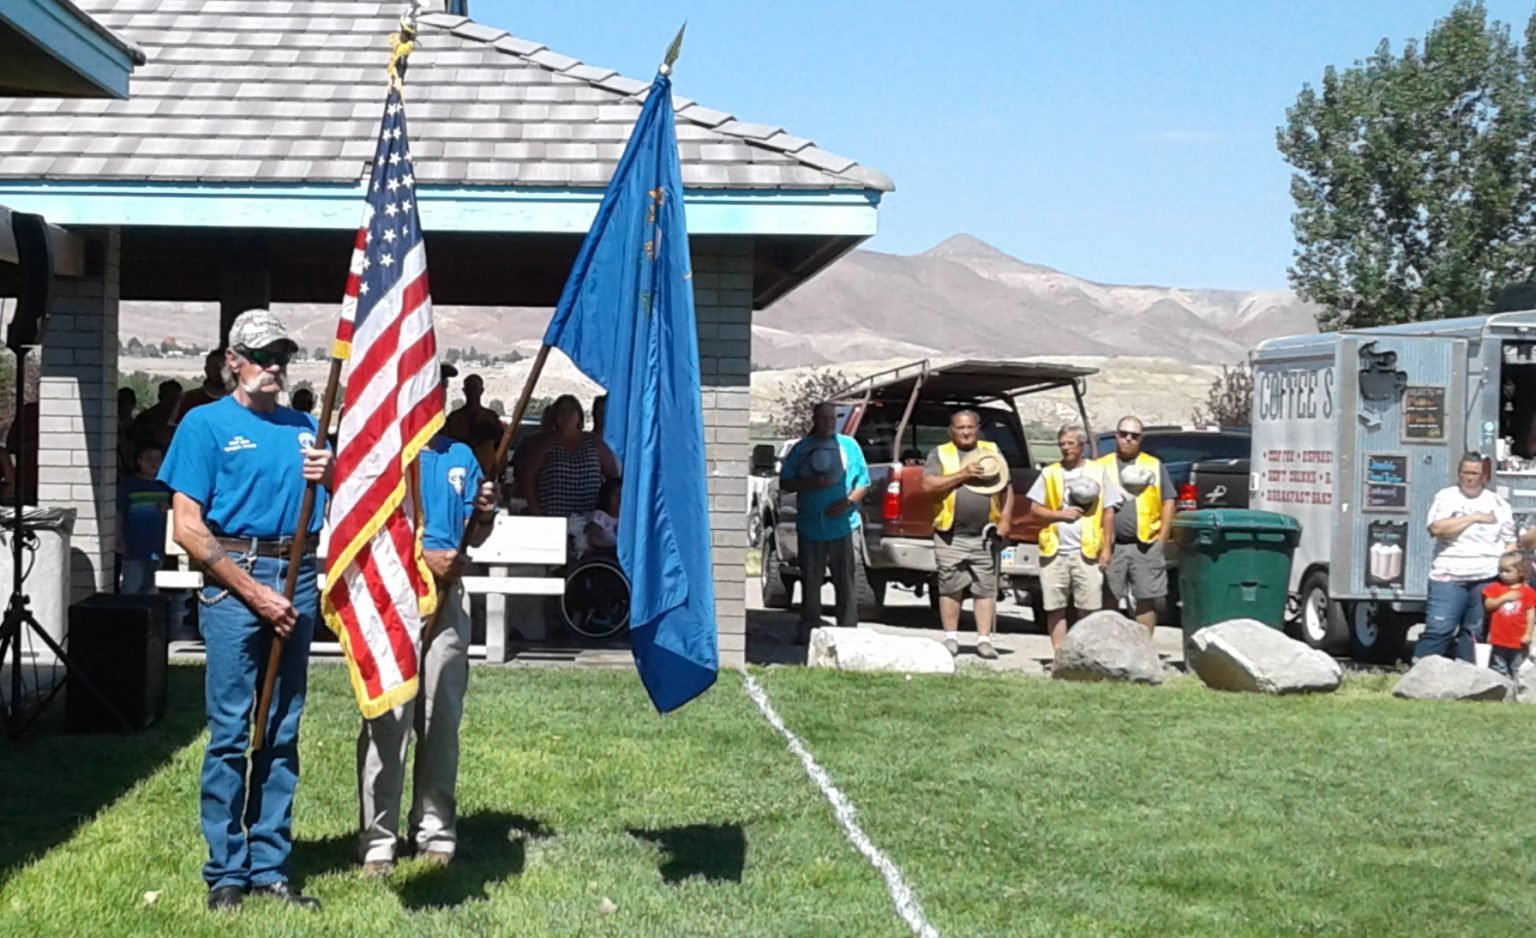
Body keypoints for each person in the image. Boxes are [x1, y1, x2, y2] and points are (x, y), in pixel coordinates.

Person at [159, 309, 332, 912]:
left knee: (282, 727)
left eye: (281, 355)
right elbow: (188, 526)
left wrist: (326, 473)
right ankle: (226, 869)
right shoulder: (204, 426)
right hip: (234, 583)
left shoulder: (305, 427)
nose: (273, 367)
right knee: (233, 730)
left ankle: (271, 864)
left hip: (297, 572)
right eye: (261, 356)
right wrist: (254, 591)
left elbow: (330, 506)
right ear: (233, 360)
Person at [357, 368, 497, 878]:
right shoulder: (382, 459)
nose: (432, 397)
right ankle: (377, 841)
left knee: (440, 720)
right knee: (388, 719)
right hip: (392, 601)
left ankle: (436, 830)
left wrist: (482, 514)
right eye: (423, 386)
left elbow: (473, 538)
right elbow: (369, 531)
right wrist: (424, 559)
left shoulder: (459, 455)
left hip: (446, 603)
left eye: (439, 388)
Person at [922, 409, 1013, 658]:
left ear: (977, 428)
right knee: (950, 585)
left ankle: (984, 640)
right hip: (950, 533)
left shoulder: (991, 451)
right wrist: (963, 474)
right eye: (960, 428)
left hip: (985, 534)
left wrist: (1005, 520)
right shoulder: (940, 453)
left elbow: (1007, 486)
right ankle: (951, 638)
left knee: (985, 587)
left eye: (970, 427)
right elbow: (928, 485)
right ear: (952, 430)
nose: (965, 432)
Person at [779, 402, 870, 640]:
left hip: (843, 526)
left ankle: (848, 631)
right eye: (823, 418)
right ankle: (809, 629)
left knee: (846, 581)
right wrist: (810, 484)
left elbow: (863, 482)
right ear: (814, 420)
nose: (828, 423)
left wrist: (847, 503)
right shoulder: (802, 449)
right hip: (810, 527)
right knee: (811, 581)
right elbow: (785, 482)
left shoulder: (849, 446)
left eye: (832, 419)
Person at [1028, 424, 1117, 652]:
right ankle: (1059, 653)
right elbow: (1034, 509)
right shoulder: (1050, 473)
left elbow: (1108, 512)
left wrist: (1106, 548)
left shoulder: (1098, 471)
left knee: (1088, 607)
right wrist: (1059, 515)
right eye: (1062, 444)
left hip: (1087, 551)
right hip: (1054, 551)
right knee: (1055, 605)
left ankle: (1085, 652)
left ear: (1082, 446)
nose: (1066, 448)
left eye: (1070, 443)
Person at [1420, 454, 1515, 662]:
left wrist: (1511, 572)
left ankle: (1467, 675)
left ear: (1484, 477)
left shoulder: (1498, 503)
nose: (1469, 478)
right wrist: (1475, 517)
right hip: (1449, 574)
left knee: (1475, 631)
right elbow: (1437, 528)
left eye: (1475, 473)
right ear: (1458, 474)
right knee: (1440, 628)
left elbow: (1509, 541)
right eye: (1465, 473)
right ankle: (1420, 672)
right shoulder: (1446, 497)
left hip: (1486, 575)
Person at [1095, 416, 1174, 633]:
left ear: (1141, 439)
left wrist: (1162, 537)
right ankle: (1108, 649)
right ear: (1116, 436)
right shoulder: (1100, 466)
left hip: (1146, 544)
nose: (1128, 439)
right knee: (1108, 599)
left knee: (1146, 600)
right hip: (1110, 545)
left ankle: (1143, 650)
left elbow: (1168, 500)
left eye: (1134, 436)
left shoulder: (1154, 465)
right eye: (1123, 434)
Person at [519, 394, 619, 519]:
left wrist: (611, 510)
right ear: (555, 417)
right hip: (553, 518)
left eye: (571, 410)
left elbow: (613, 478)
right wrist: (535, 509)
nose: (567, 414)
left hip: (589, 520)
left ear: (579, 415)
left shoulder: (594, 442)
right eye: (562, 411)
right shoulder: (545, 444)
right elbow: (528, 478)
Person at [117, 440, 171, 595]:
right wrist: (118, 537)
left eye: (158, 459)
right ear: (139, 461)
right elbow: (119, 512)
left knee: (152, 589)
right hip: (133, 546)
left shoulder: (166, 485)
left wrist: (168, 510)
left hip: (158, 546)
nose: (153, 463)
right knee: (130, 587)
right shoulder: (129, 485)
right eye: (148, 459)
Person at [1482, 551, 1536, 677]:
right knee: (1498, 668)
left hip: (1519, 639)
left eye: (1508, 571)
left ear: (1521, 572)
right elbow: (1488, 605)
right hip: (1498, 637)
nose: (1503, 574)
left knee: (1518, 668)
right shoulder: (1495, 588)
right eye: (1501, 570)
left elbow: (1530, 614)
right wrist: (1504, 598)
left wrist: (1528, 634)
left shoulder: (1527, 592)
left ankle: (1518, 693)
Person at [445, 373, 503, 481]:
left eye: (475, 387)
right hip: (459, 471)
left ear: (481, 390)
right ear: (464, 390)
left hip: (485, 471)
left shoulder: (491, 417)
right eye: (469, 387)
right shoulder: (454, 418)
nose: (472, 391)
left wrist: (500, 468)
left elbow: (500, 445)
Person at [174, 350, 230, 424]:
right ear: (206, 370)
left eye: (223, 367)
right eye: (215, 367)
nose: (219, 371)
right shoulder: (189, 399)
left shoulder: (242, 400)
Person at [132, 379, 183, 450]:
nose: (173, 401)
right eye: (170, 396)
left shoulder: (184, 418)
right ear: (160, 396)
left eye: (177, 397)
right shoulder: (146, 418)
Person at [583, 477, 622, 556]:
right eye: (617, 495)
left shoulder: (627, 520)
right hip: (606, 555)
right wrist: (612, 547)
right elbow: (593, 538)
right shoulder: (600, 516)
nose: (620, 499)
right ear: (607, 497)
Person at [118, 387, 139, 475]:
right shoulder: (110, 425)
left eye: (128, 402)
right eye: (120, 402)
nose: (123, 406)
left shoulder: (139, 424)